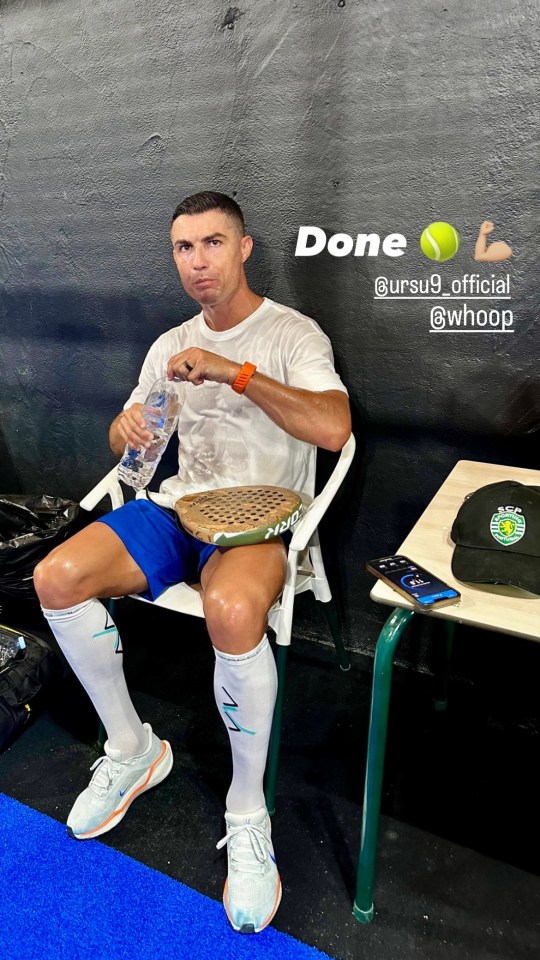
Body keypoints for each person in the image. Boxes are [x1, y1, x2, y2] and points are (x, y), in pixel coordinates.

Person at [33, 191, 351, 934]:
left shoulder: (292, 334)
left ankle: (247, 812)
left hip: (258, 519)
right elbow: (136, 455)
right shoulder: (168, 342)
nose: (197, 261)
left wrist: (233, 373)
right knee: (56, 576)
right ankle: (133, 749)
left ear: (244, 248)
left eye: (212, 243)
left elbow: (334, 429)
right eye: (183, 248)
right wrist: (127, 429)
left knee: (234, 612)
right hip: (177, 509)